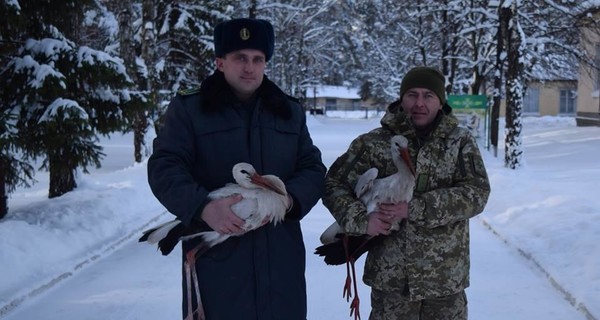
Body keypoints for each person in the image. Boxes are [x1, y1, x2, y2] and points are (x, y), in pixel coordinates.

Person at [147, 18, 326, 320]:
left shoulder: (288, 111)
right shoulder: (190, 109)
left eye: (258, 59)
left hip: (281, 265)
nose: (249, 67)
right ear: (220, 62)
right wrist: (202, 207)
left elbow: (312, 168)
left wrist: (289, 199)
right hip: (217, 266)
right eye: (240, 58)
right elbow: (165, 166)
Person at [322, 66, 490, 320]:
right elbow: (332, 184)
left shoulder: (459, 142)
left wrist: (415, 208)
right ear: (401, 98)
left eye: (428, 95)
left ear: (440, 101)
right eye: (412, 94)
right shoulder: (372, 143)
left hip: (445, 280)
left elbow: (477, 193)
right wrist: (362, 220)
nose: (419, 103)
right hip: (390, 281)